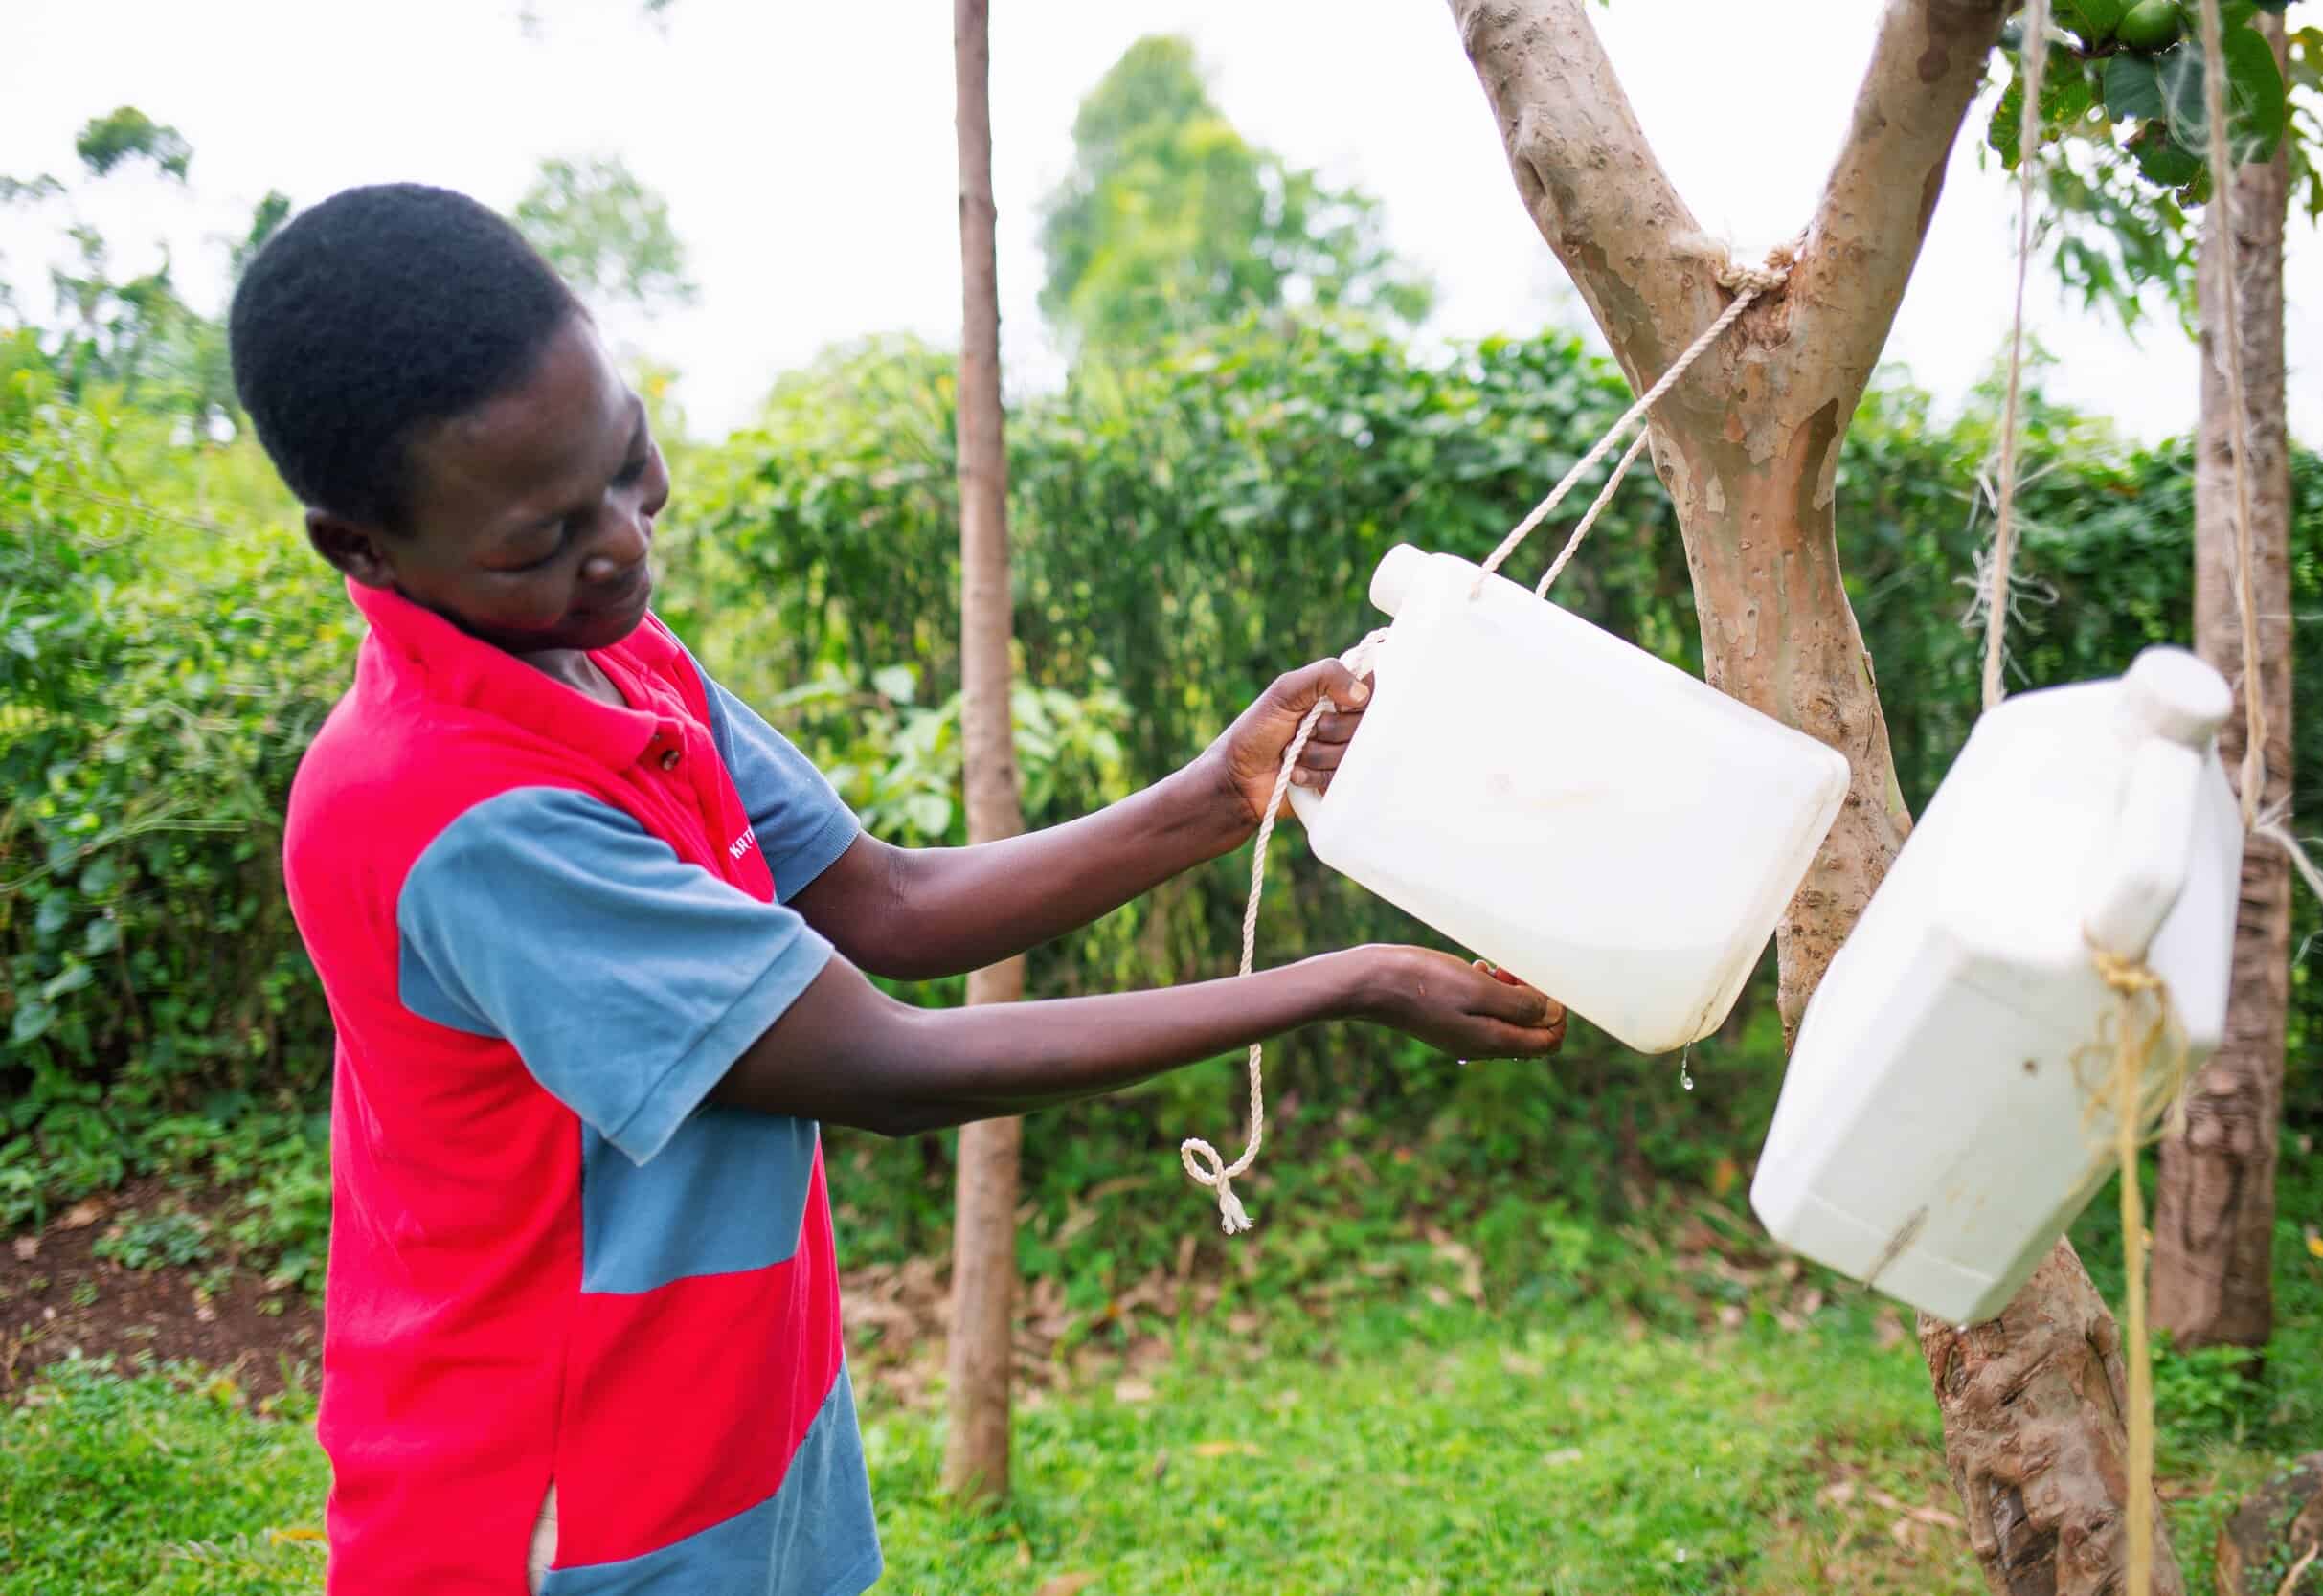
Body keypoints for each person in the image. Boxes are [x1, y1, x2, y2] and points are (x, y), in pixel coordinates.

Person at [229, 182, 1566, 1596]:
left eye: (627, 460)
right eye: (541, 538)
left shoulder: (608, 656)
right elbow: (884, 1064)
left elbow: (889, 905)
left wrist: (1223, 789)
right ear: (362, 551)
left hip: (731, 1415)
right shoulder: (455, 808)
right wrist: (1337, 981)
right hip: (558, 1501)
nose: (621, 540)